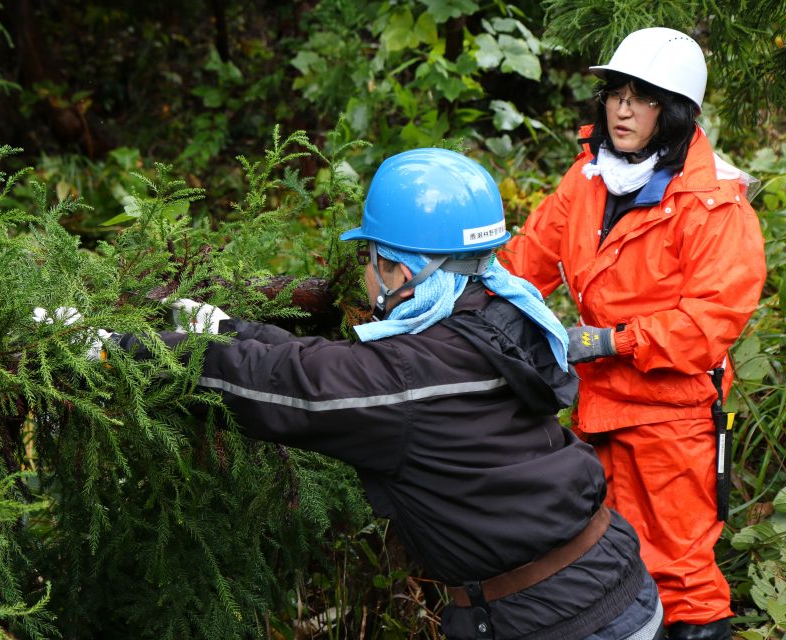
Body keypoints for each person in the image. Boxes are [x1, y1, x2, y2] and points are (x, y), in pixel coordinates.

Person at [98, 148, 666, 639]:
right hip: (617, 585)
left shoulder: (415, 372)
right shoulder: (501, 324)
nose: (365, 276)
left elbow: (293, 388)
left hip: (551, 623)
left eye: (368, 258)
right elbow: (326, 367)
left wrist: (116, 350)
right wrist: (228, 331)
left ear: (398, 270)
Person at [499, 27, 767, 640]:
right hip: (596, 409)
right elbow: (524, 265)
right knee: (605, 566)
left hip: (672, 419)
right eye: (616, 93)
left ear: (673, 113)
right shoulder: (590, 178)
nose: (623, 108)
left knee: (681, 576)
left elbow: (708, 326)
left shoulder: (712, 206)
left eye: (643, 97)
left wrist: (613, 341)